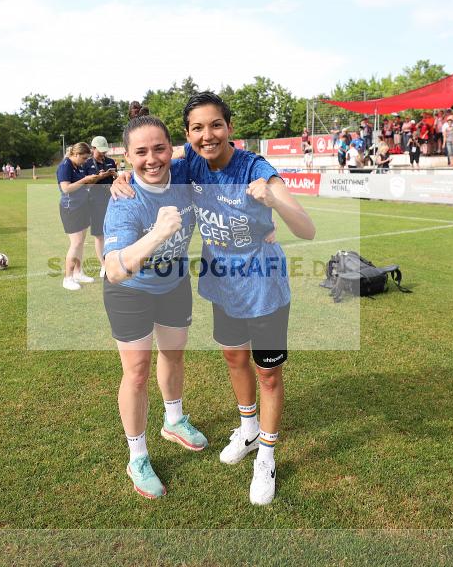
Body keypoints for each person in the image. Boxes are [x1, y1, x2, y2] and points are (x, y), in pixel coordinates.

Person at [113, 92, 316, 506]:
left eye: (216, 125)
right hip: (222, 285)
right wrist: (122, 176)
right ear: (188, 135)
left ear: (230, 127)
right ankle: (248, 429)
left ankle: (267, 457)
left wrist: (274, 201)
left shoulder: (255, 169)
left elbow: (306, 229)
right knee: (235, 360)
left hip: (264, 287)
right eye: (198, 128)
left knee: (268, 375)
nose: (208, 135)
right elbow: (152, 162)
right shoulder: (190, 163)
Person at [102, 115, 206, 500]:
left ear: (171, 149)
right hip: (131, 291)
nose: (151, 159)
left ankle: (174, 421)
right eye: (141, 152)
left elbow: (219, 152)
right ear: (127, 157)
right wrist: (159, 233)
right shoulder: (125, 201)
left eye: (159, 148)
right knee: (136, 372)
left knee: (174, 354)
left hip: (174, 284)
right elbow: (115, 269)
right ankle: (138, 457)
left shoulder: (184, 170)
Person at [57, 142, 99, 291]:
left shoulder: (78, 165)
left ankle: (78, 272)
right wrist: (84, 180)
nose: (85, 161)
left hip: (82, 207)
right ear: (75, 154)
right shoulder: (65, 166)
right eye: (84, 158)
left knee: (80, 243)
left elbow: (83, 186)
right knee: (75, 243)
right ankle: (67, 278)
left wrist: (93, 180)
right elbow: (66, 188)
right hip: (71, 209)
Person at [84, 135, 118, 278]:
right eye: (100, 150)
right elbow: (86, 185)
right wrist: (100, 176)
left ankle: (114, 261)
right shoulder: (86, 164)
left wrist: (115, 175)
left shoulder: (110, 161)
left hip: (112, 199)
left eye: (104, 150)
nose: (103, 153)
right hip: (94, 201)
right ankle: (103, 265)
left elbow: (116, 180)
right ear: (93, 149)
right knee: (99, 234)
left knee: (114, 231)